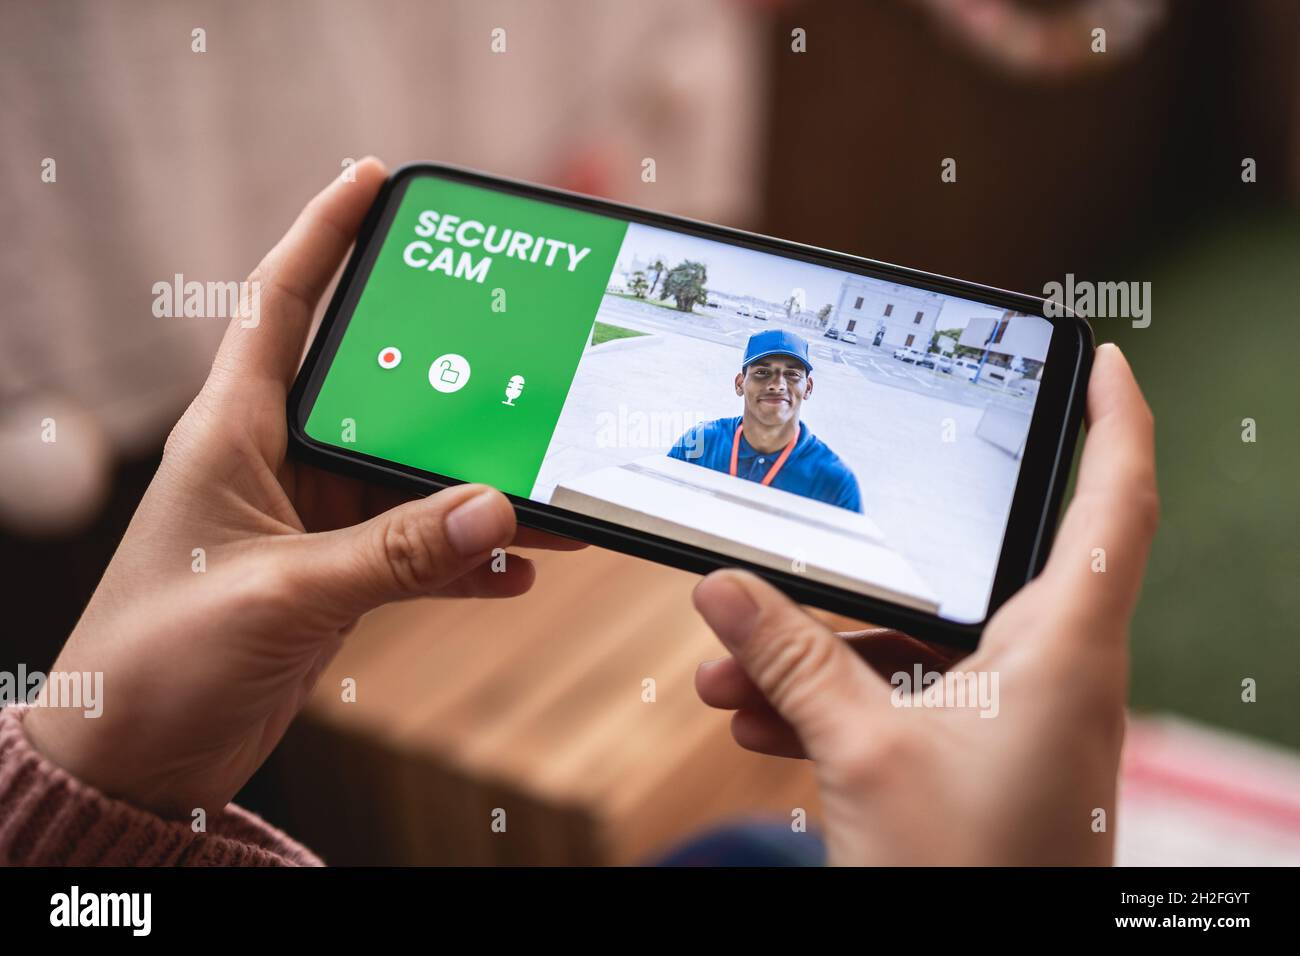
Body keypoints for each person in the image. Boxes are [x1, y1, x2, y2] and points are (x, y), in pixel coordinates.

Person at [0, 158, 1158, 866]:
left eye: (791, 380)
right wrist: (105, 778)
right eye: (762, 374)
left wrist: (95, 780)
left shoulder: (841, 483)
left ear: (808, 394)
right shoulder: (691, 445)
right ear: (738, 382)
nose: (773, 390)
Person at [667, 330, 862, 512]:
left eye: (792, 375)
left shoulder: (834, 480)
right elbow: (659, 505)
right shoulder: (700, 442)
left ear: (808, 388)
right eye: (762, 372)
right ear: (739, 384)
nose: (777, 385)